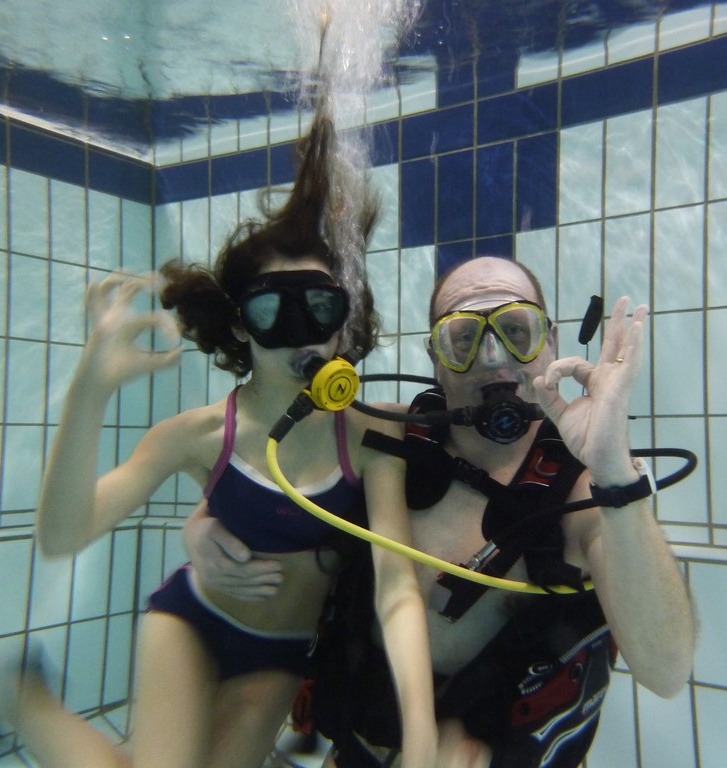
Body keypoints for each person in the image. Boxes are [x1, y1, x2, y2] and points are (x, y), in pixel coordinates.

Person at [0, 111, 437, 768]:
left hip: (281, 656)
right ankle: (22, 697)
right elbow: (62, 536)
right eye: (271, 310)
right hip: (190, 624)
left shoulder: (370, 436)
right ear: (241, 325)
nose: (300, 334)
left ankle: (22, 693)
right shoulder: (198, 436)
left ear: (344, 322)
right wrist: (90, 391)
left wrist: (420, 731)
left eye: (320, 308)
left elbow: (397, 585)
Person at [186, 255, 696, 768]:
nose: (493, 357)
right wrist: (204, 522)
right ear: (436, 358)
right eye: (463, 337)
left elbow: (667, 670)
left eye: (517, 330)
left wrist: (615, 473)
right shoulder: (384, 434)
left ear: (551, 342)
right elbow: (254, 463)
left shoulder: (587, 494)